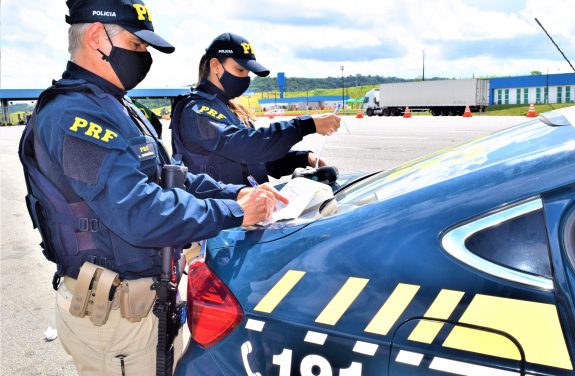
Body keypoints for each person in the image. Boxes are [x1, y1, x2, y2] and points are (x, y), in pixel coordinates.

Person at [18, 1, 286, 375]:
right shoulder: (74, 115)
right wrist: (235, 213)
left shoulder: (116, 106)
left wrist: (231, 194)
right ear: (98, 36)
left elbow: (169, 176)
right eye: (138, 45)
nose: (144, 57)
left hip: (144, 306)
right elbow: (138, 211)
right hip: (114, 317)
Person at [169, 32, 341, 185]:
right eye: (240, 69)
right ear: (215, 66)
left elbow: (261, 158)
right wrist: (305, 125)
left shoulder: (229, 109)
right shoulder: (196, 111)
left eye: (248, 73)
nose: (246, 78)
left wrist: (302, 158)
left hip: (250, 210)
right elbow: (245, 146)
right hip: (220, 214)